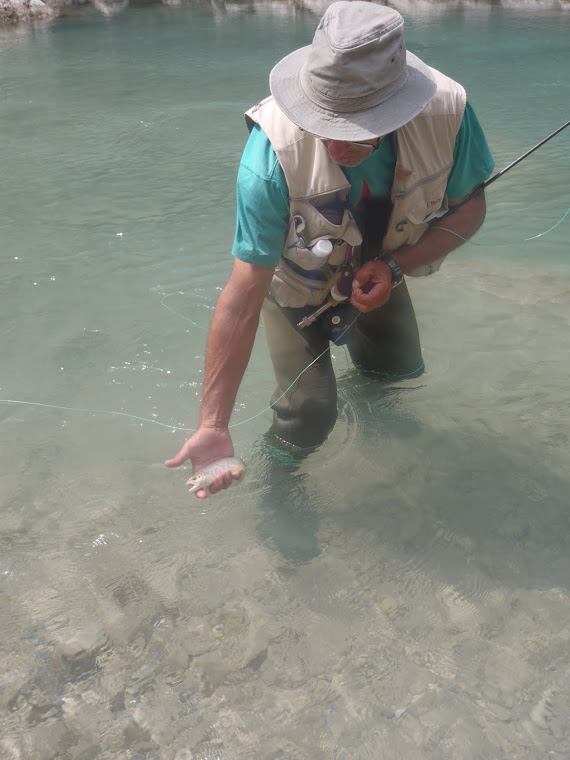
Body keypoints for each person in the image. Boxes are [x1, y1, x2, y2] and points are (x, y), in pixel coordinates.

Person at [165, 1, 495, 497]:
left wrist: (393, 266)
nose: (335, 145)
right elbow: (242, 296)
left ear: (399, 107)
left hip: (384, 268)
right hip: (295, 283)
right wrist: (214, 423)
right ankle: (278, 480)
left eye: (355, 133)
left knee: (399, 373)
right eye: (324, 124)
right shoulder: (268, 161)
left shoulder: (448, 111)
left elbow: (469, 210)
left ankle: (387, 470)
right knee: (311, 413)